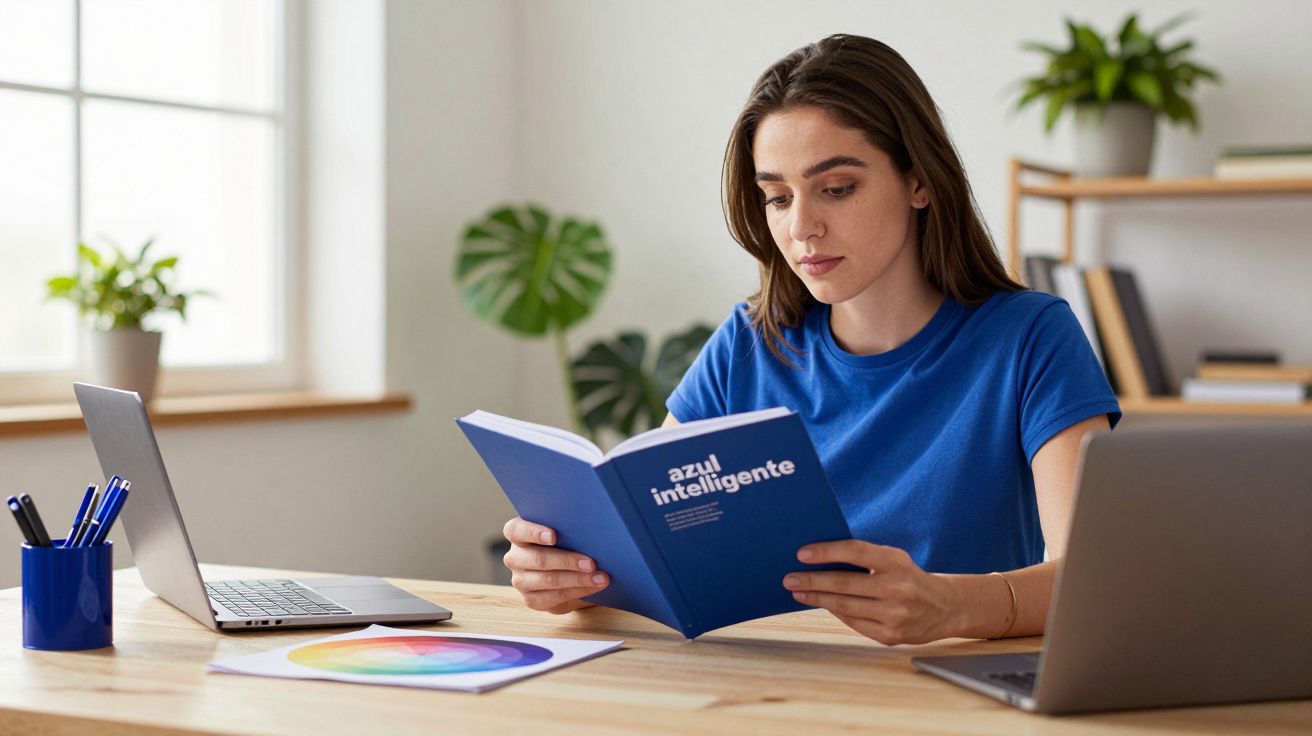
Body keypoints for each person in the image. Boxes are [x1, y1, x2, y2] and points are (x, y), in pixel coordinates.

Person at [500, 34, 1120, 645]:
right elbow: (648, 548)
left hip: (945, 692)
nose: (801, 227)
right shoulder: (747, 345)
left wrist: (952, 606)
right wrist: (571, 576)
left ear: (919, 182)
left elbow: (1093, 579)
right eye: (776, 196)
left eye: (838, 188)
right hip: (767, 686)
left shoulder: (1030, 338)